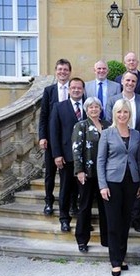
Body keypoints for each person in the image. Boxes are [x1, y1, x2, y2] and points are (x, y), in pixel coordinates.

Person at [97, 99, 140, 276]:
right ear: (114, 114)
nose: (122, 115)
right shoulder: (107, 133)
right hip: (112, 182)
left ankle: (121, 256)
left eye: (125, 112)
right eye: (119, 112)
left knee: (125, 222)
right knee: (114, 223)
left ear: (129, 114)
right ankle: (115, 261)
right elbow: (100, 161)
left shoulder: (136, 134)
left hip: (131, 182)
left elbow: (139, 159)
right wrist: (102, 185)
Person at [106, 71, 140, 232]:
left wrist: (137, 139)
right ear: (122, 81)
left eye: (133, 81)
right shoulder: (112, 100)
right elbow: (109, 121)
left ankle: (135, 217)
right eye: (127, 80)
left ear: (136, 83)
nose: (130, 83)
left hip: (137, 146)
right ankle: (121, 219)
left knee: (136, 179)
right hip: (118, 148)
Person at [72, 97, 110, 252]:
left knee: (105, 208)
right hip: (87, 173)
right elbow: (76, 149)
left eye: (96, 107)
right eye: (91, 107)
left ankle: (107, 239)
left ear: (100, 109)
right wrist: (79, 170)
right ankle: (82, 240)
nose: (94, 109)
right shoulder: (81, 125)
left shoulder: (108, 125)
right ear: (86, 110)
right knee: (85, 206)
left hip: (105, 174)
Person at [50, 77, 86, 232]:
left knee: (82, 191)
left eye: (79, 88)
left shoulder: (89, 106)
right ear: (69, 89)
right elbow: (54, 132)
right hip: (66, 156)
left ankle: (82, 221)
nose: (76, 90)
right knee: (65, 189)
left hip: (85, 158)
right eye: (73, 88)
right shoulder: (59, 107)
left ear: (83, 90)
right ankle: (64, 219)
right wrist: (57, 154)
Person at [38, 58, 71, 216]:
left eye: (65, 70)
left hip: (70, 140)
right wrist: (42, 136)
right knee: (50, 173)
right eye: (60, 69)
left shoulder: (75, 89)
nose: (62, 72)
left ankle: (71, 203)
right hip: (52, 139)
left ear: (69, 72)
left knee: (69, 174)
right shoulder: (49, 91)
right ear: (56, 72)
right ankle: (49, 201)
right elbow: (43, 116)